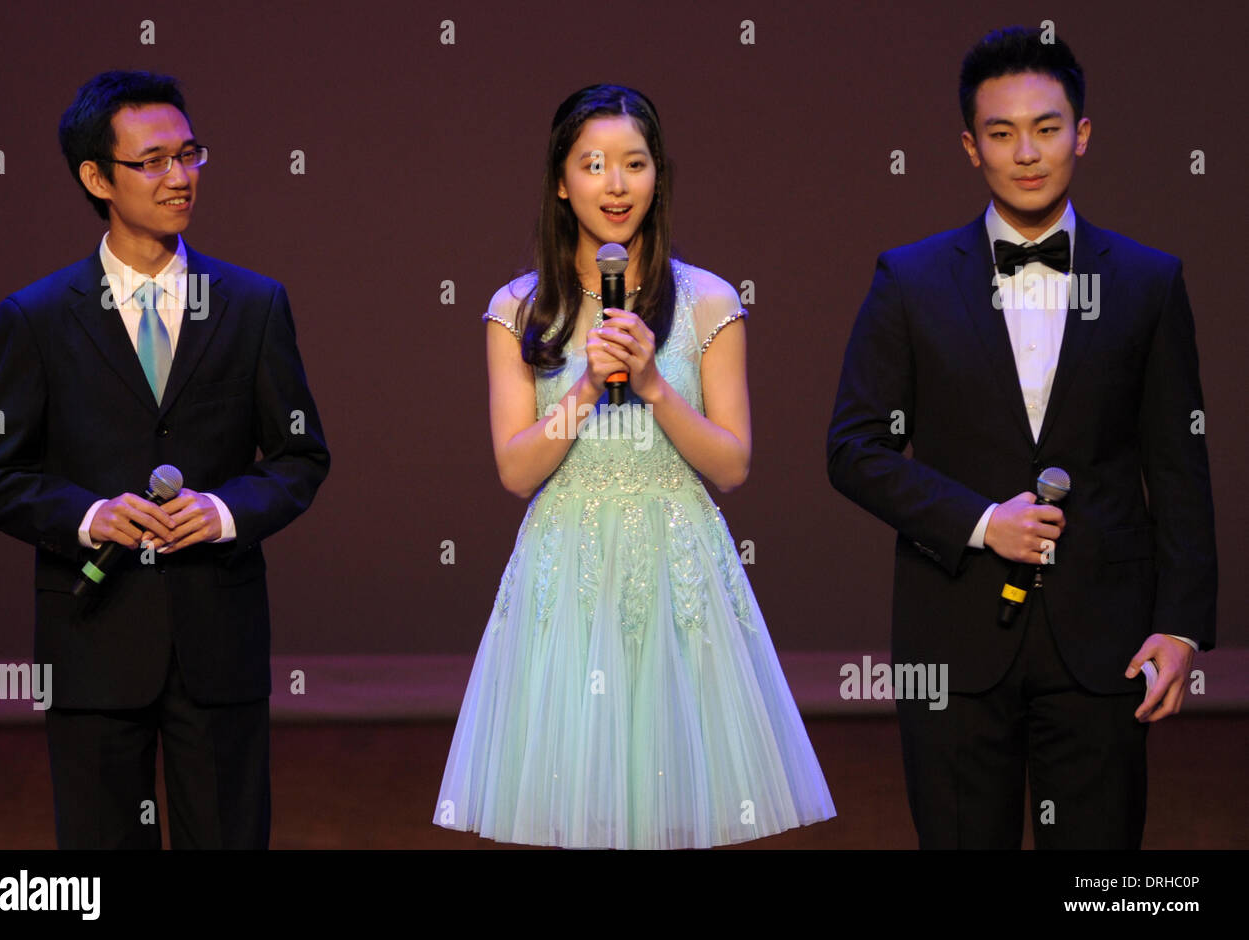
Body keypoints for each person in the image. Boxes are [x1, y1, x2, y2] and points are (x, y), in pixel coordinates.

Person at [827, 26, 1217, 848]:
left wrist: (1182, 627)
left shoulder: (1149, 280)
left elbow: (1178, 461)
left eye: (1046, 127)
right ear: (971, 147)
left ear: (1082, 133)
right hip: (953, 636)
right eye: (1001, 134)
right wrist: (980, 521)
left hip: (1106, 640)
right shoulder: (910, 279)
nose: (1027, 152)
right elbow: (853, 447)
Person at [433, 84, 835, 848]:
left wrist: (652, 387)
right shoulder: (518, 309)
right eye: (593, 165)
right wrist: (586, 384)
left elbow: (734, 462)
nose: (615, 185)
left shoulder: (709, 301)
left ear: (659, 176)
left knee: (674, 801)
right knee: (576, 800)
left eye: (634, 163)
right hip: (570, 569)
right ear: (561, 180)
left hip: (677, 568)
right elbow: (517, 470)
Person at [0, 70, 330, 849]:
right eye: (153, 160)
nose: (180, 177)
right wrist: (90, 516)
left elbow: (299, 455)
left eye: (189, 154)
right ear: (97, 178)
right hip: (93, 642)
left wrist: (224, 511)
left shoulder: (254, 303)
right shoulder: (35, 316)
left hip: (217, 641)